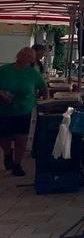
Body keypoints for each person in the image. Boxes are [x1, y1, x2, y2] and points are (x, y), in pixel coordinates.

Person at [0, 47, 48, 177]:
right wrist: (2, 94)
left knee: (21, 138)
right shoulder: (4, 70)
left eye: (30, 58)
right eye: (25, 56)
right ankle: (7, 153)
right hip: (4, 110)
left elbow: (43, 87)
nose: (27, 60)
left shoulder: (32, 73)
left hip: (24, 110)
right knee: (4, 138)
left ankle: (17, 165)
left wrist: (46, 101)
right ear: (19, 56)